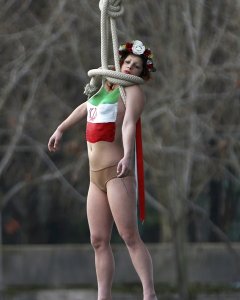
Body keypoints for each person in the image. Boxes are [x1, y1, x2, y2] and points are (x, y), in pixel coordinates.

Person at [48, 40, 157, 300]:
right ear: (120, 63)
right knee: (98, 240)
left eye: (136, 66)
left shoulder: (132, 93)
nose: (130, 67)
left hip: (116, 171)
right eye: (128, 62)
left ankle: (149, 293)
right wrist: (61, 128)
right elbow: (85, 108)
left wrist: (128, 156)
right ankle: (103, 296)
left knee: (129, 235)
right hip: (94, 177)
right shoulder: (103, 87)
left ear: (142, 72)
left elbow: (129, 124)